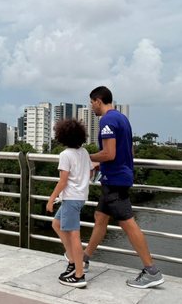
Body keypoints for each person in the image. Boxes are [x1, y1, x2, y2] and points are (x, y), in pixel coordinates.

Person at [83, 85, 164, 288]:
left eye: (91, 102)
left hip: (115, 181)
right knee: (100, 218)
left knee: (128, 224)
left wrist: (84, 157)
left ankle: (151, 271)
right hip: (115, 177)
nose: (91, 106)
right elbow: (124, 152)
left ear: (98, 101)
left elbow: (109, 153)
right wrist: (99, 163)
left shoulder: (107, 120)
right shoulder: (121, 118)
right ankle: (84, 258)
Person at [46, 119, 92, 288]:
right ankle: (73, 262)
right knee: (57, 224)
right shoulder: (84, 152)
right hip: (79, 197)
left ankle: (79, 275)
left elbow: (62, 181)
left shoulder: (65, 155)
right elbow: (90, 170)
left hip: (71, 198)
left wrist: (51, 199)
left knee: (74, 236)